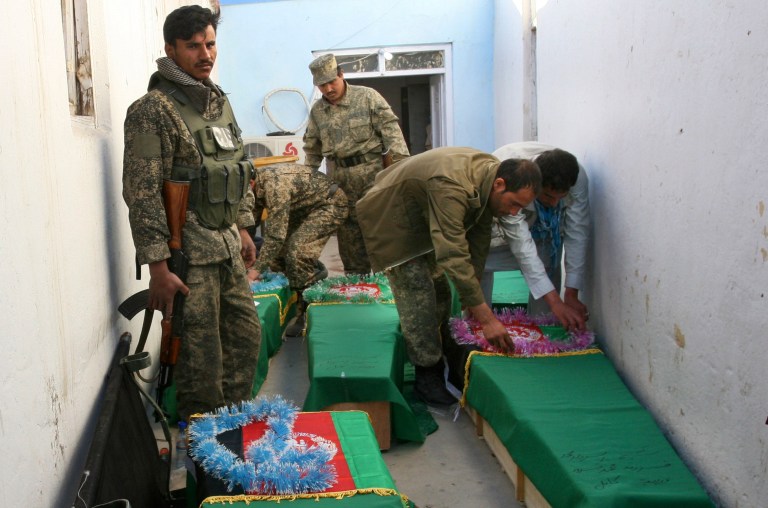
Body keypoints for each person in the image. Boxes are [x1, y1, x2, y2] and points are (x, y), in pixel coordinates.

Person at [122, 5, 262, 423]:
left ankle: (232, 429)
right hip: (188, 259)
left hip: (225, 247)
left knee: (245, 338)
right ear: (170, 49)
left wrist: (241, 227)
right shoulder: (152, 110)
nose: (205, 54)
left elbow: (236, 168)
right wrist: (158, 266)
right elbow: (142, 193)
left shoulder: (217, 101)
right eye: (193, 46)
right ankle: (205, 457)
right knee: (201, 363)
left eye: (211, 44)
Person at [356, 147, 541, 405]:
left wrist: (473, 291)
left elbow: (478, 236)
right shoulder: (451, 187)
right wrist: (486, 318)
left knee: (442, 290)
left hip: (420, 215)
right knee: (418, 292)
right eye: (514, 204)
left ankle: (449, 358)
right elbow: (452, 252)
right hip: (391, 217)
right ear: (500, 185)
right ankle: (426, 374)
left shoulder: (490, 175)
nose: (514, 213)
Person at [303, 53, 410, 275]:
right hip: (340, 181)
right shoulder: (318, 112)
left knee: (380, 236)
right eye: (323, 85)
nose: (329, 88)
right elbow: (312, 149)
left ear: (341, 74)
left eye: (332, 81)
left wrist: (402, 174)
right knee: (350, 242)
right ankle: (357, 290)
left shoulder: (368, 97)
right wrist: (305, 182)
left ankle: (388, 289)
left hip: (373, 178)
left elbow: (393, 135)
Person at [480, 142, 590, 327]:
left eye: (560, 198)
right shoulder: (510, 175)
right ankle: (479, 325)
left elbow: (577, 231)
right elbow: (521, 243)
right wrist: (556, 301)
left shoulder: (577, 176)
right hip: (498, 224)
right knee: (480, 261)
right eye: (548, 196)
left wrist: (571, 293)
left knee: (548, 260)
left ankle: (544, 329)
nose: (555, 204)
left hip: (545, 232)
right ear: (536, 187)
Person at [247, 162, 348, 336]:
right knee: (278, 257)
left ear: (250, 183)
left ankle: (308, 313)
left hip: (329, 204)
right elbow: (250, 223)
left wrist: (253, 272)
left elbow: (275, 236)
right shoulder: (252, 188)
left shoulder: (275, 185)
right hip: (303, 208)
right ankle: (293, 298)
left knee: (297, 252)